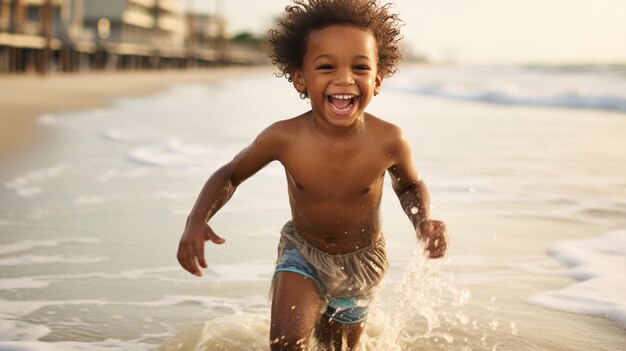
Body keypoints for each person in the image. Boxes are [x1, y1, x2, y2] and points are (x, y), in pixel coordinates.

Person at [177, 0, 448, 349]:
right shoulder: (284, 138)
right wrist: (197, 218)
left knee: (338, 348)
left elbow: (409, 185)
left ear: (377, 80)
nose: (344, 78)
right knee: (287, 344)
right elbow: (231, 174)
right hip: (302, 252)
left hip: (363, 263)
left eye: (360, 67)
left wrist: (423, 220)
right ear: (300, 79)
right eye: (326, 66)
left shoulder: (389, 140)